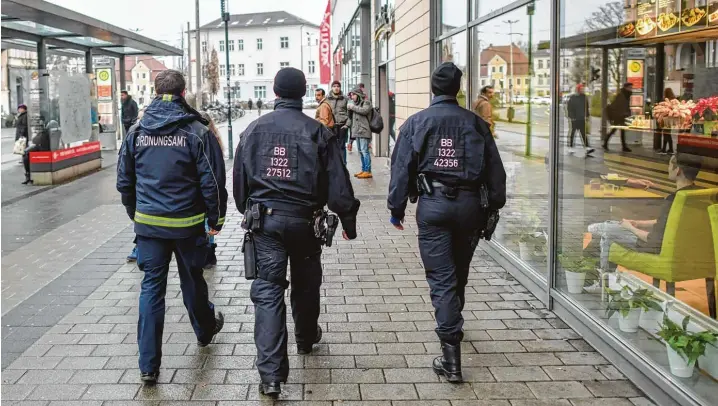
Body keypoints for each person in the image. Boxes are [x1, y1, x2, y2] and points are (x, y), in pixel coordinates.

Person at [233, 67, 360, 398]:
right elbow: (338, 182)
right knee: (306, 282)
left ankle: (271, 376)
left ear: (275, 93)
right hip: (305, 222)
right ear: (303, 94)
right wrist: (348, 222)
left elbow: (238, 186)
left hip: (266, 224)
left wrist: (249, 210)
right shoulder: (318, 132)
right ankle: (305, 338)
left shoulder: (252, 131)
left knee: (268, 292)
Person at [387, 62, 507, 383]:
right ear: (458, 88)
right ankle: (454, 324)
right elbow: (496, 171)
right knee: (459, 273)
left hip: (433, 207)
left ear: (432, 88)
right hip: (470, 208)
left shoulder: (416, 123)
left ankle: (451, 357)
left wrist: (396, 209)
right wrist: (494, 207)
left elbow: (400, 170)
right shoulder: (476, 124)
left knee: (442, 279)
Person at [116, 70, 227, 384]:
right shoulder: (196, 131)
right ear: (184, 92)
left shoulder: (137, 131)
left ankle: (148, 367)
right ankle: (205, 330)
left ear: (154, 91)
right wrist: (216, 218)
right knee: (192, 278)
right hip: (187, 225)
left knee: (151, 289)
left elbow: (124, 181)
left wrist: (135, 213)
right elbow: (213, 181)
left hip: (149, 226)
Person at [586, 154, 700, 271]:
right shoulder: (697, 195)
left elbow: (655, 240)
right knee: (612, 229)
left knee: (607, 231)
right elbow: (670, 222)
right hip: (684, 249)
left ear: (678, 171)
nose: (668, 168)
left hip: (658, 248)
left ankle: (599, 278)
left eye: (670, 165)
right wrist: (638, 223)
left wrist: (631, 228)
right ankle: (601, 279)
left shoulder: (673, 199)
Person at [200, 110, 225, 269]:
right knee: (209, 222)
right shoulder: (215, 139)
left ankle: (207, 252)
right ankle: (210, 253)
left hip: (201, 190)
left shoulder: (202, 138)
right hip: (210, 191)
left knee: (204, 223)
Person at [347, 87, 374, 179]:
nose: (352, 97)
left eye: (353, 95)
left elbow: (364, 111)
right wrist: (349, 109)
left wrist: (352, 107)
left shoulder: (366, 102)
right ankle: (363, 169)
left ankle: (368, 171)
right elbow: (350, 117)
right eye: (351, 95)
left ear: (358, 95)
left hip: (364, 130)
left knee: (365, 151)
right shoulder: (354, 104)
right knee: (360, 151)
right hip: (357, 131)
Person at [567, 84, 595, 157]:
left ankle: (587, 147)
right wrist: (572, 117)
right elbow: (569, 108)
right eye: (581, 89)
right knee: (573, 132)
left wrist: (587, 116)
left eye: (583, 89)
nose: (583, 90)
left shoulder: (584, 97)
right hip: (575, 119)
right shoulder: (573, 97)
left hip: (582, 118)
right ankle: (571, 146)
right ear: (578, 89)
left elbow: (586, 107)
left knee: (583, 133)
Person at [604, 82, 633, 152]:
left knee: (621, 131)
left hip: (622, 116)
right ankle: (606, 143)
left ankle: (623, 146)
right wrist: (624, 113)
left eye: (631, 87)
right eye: (630, 87)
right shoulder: (621, 95)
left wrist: (628, 113)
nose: (631, 89)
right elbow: (618, 106)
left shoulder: (626, 95)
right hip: (618, 116)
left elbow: (626, 106)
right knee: (614, 131)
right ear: (626, 87)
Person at [22, 119, 51, 185]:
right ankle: (28, 175)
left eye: (40, 125)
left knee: (26, 155)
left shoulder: (44, 133)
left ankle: (28, 175)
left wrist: (37, 134)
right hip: (44, 149)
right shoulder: (48, 131)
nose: (39, 127)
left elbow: (35, 141)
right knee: (27, 153)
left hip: (43, 151)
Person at [328, 81, 350, 164]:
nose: (336, 88)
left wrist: (347, 125)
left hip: (342, 126)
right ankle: (335, 168)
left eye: (338, 86)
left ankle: (343, 166)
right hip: (331, 126)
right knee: (332, 147)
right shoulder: (327, 99)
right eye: (334, 86)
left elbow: (350, 114)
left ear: (340, 88)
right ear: (332, 87)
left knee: (342, 147)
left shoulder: (345, 99)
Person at [660, 88, 677, 154]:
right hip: (671, 119)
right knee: (668, 134)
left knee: (666, 134)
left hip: (666, 118)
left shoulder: (667, 100)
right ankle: (670, 149)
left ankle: (665, 149)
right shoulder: (674, 99)